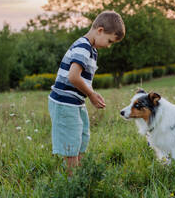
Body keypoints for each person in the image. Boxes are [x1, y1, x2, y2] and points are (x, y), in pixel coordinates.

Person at [48, 11, 125, 175]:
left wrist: (89, 94)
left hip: (75, 102)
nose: (108, 45)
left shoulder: (92, 49)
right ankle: (71, 181)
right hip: (64, 102)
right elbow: (73, 76)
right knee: (71, 140)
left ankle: (79, 174)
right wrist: (91, 94)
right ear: (100, 30)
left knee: (82, 136)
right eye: (109, 41)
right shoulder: (83, 47)